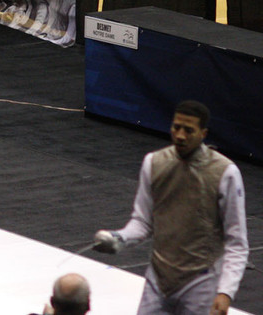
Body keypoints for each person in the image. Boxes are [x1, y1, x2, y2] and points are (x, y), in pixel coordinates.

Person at [93, 100, 248, 315]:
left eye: (189, 130)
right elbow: (143, 223)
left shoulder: (225, 173)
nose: (181, 136)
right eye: (176, 128)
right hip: (159, 278)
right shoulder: (154, 163)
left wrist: (225, 292)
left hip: (201, 282)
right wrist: (119, 238)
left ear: (203, 133)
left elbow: (237, 242)